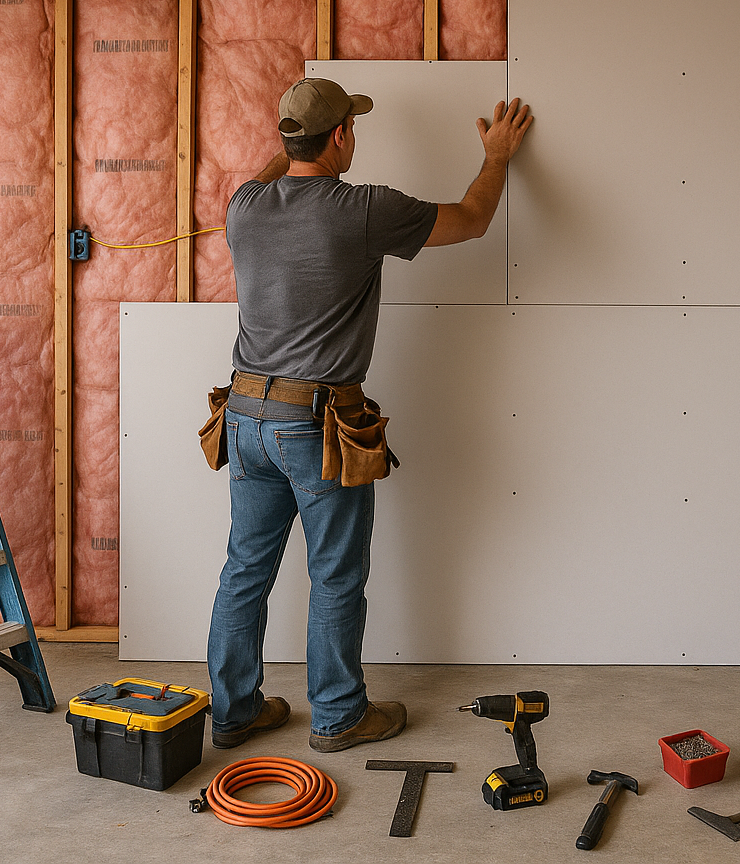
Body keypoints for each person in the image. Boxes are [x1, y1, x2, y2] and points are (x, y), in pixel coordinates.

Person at [206, 77, 533, 752]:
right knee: (335, 573)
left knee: (244, 570)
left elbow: (268, 175)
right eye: (351, 125)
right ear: (340, 138)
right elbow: (472, 219)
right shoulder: (362, 210)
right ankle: (338, 716)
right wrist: (497, 156)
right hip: (314, 425)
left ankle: (234, 712)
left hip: (244, 417)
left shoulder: (244, 207)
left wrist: (288, 149)